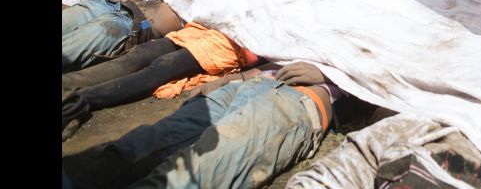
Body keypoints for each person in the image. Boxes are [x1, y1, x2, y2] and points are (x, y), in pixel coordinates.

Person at [62, 61, 347, 188]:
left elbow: (384, 84)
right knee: (136, 147)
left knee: (192, 173)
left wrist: (329, 72)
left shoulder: (379, 25)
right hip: (244, 86)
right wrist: (230, 80)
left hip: (295, 100)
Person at [62, 21, 261, 139]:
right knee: (140, 53)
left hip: (228, 49)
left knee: (164, 66)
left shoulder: (287, 24)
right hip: (206, 30)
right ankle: (67, 84)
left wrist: (237, 77)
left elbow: (276, 63)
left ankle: (76, 101)